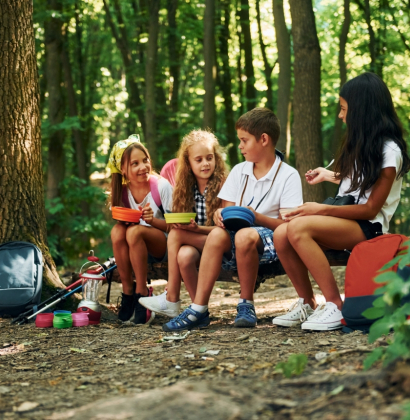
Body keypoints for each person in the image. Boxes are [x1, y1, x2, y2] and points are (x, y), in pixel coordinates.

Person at [272, 72, 410, 331]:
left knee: (298, 227)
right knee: (281, 233)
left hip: (370, 226)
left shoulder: (390, 151)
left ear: (361, 110)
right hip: (348, 217)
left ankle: (335, 305)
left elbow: (371, 207)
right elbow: (360, 185)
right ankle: (307, 302)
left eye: (344, 108)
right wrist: (330, 175)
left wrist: (321, 209)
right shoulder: (363, 143)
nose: (340, 115)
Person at [163, 108, 303, 332]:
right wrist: (220, 216)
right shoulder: (239, 171)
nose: (240, 146)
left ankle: (246, 304)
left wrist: (256, 217)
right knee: (219, 233)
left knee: (246, 234)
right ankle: (198, 309)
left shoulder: (288, 175)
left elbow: (290, 226)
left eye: (244, 141)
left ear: (264, 139)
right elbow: (227, 217)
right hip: (234, 240)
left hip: (270, 240)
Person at [139, 130, 229, 318]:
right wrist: (176, 223)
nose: (205, 163)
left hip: (223, 242)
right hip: (198, 243)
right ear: (188, 163)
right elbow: (176, 224)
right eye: (199, 160)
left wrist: (197, 229)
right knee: (184, 255)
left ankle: (171, 297)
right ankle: (200, 311)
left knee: (176, 235)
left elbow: (227, 228)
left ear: (216, 158)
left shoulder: (224, 184)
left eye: (209, 158)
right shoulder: (185, 187)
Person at [107, 135, 173, 325]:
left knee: (134, 232)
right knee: (118, 231)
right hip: (134, 248)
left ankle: (142, 292)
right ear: (123, 170)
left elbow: (176, 226)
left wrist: (151, 221)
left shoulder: (161, 186)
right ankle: (128, 292)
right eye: (135, 163)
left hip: (163, 245)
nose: (143, 167)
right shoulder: (123, 193)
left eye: (145, 160)